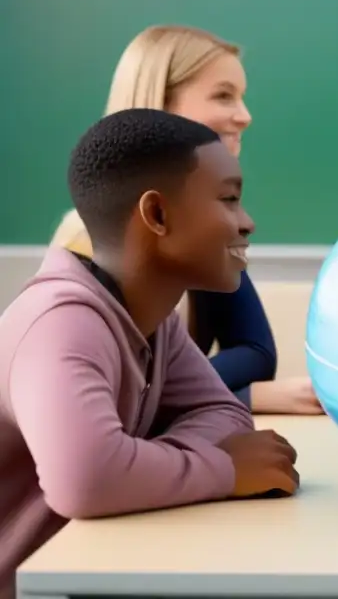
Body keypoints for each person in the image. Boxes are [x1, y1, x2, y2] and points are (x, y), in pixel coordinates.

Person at [0, 109, 300, 598]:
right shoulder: (60, 323)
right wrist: (223, 470)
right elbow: (87, 480)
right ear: (157, 215)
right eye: (228, 199)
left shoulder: (152, 321)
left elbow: (222, 409)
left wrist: (142, 464)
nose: (247, 222)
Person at [50, 24, 321, 415]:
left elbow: (256, 351)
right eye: (224, 96)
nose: (244, 116)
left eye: (241, 97)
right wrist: (244, 396)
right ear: (161, 103)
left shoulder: (200, 221)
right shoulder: (91, 241)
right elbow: (113, 396)